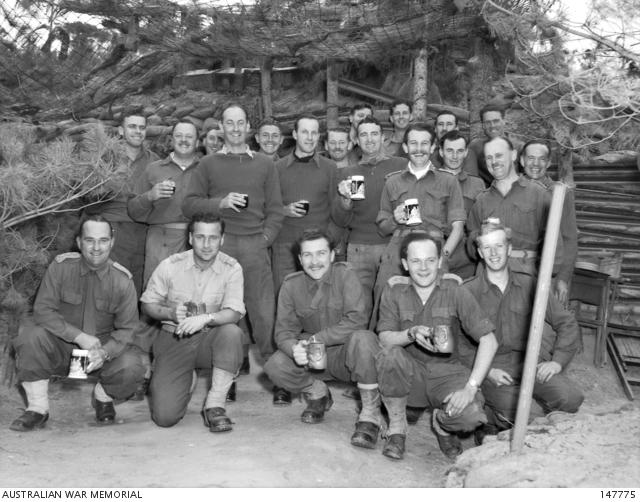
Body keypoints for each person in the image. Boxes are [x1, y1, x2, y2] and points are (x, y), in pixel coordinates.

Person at [181, 103, 284, 401]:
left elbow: (276, 209)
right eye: (230, 123)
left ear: (248, 126)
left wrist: (265, 238)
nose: (236, 129)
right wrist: (220, 204)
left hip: (254, 245)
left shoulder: (264, 163)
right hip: (220, 247)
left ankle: (279, 377)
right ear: (221, 128)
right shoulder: (209, 164)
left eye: (241, 123)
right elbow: (189, 204)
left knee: (264, 315)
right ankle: (228, 376)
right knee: (224, 313)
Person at [10, 215, 144, 431]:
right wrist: (78, 336)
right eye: (90, 240)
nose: (96, 247)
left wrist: (105, 352)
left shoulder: (122, 281)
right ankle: (37, 408)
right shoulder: (61, 267)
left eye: (102, 240)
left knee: (133, 366)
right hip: (62, 348)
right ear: (79, 242)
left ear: (112, 242)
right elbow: (43, 310)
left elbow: (128, 329)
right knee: (30, 337)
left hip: (99, 355)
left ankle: (103, 397)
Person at [375, 232, 498, 460]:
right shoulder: (393, 291)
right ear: (404, 264)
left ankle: (442, 425)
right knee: (389, 355)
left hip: (447, 374)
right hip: (410, 373)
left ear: (439, 262)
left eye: (430, 260)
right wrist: (410, 333)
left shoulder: (456, 291)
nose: (423, 268)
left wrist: (470, 387)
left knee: (470, 415)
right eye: (415, 261)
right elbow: (384, 338)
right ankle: (397, 427)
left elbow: (489, 340)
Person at [264, 228, 384, 449]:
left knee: (365, 340)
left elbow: (357, 320)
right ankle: (318, 393)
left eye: (320, 254)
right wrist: (294, 349)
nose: (314, 261)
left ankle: (370, 415)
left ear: (331, 255)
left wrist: (317, 338)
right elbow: (283, 332)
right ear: (299, 259)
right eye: (307, 255)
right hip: (312, 356)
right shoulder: (291, 285)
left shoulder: (346, 275)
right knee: (275, 365)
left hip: (345, 356)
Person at [462, 219, 583, 437]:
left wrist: (557, 361)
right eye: (487, 247)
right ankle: (490, 415)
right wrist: (487, 372)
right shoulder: (468, 292)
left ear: (509, 248)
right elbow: (458, 344)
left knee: (570, 397)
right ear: (480, 252)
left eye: (499, 246)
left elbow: (566, 322)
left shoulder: (530, 285)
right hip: (493, 368)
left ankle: (520, 421)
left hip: (530, 364)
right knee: (532, 415)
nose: (494, 253)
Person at [140, 213, 245, 431]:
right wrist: (170, 313)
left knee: (231, 333)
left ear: (222, 239)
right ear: (190, 238)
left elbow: (235, 312)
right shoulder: (170, 265)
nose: (206, 245)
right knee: (164, 417)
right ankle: (187, 378)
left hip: (210, 340)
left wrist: (206, 318)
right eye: (200, 237)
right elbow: (147, 304)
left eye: (213, 238)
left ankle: (215, 405)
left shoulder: (232, 268)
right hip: (174, 339)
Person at [373, 123, 466, 314]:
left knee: (436, 310)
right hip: (397, 252)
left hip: (433, 251)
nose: (419, 149)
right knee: (384, 305)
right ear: (405, 147)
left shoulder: (448, 181)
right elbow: (382, 228)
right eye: (413, 143)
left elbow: (457, 227)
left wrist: (443, 257)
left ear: (432, 148)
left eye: (424, 144)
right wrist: (395, 219)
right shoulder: (392, 181)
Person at [333, 116, 406, 316]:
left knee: (391, 306)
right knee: (359, 307)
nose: (369, 139)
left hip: (393, 244)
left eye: (374, 134)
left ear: (383, 137)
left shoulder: (401, 165)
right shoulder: (347, 172)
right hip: (358, 248)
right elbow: (340, 220)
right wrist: (345, 200)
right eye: (363, 134)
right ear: (356, 140)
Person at [467, 136, 568, 279]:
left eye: (499, 155)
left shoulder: (539, 195)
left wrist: (544, 281)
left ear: (514, 155)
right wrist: (480, 236)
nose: (494, 162)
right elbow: (471, 248)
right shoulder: (481, 200)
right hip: (487, 277)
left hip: (524, 276)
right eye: (489, 158)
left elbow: (555, 245)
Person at [89, 111, 159, 296]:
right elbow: (87, 197)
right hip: (112, 225)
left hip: (143, 229)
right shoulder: (106, 158)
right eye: (132, 126)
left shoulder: (154, 161)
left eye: (142, 127)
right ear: (121, 130)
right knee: (108, 281)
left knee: (136, 283)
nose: (138, 131)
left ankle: (130, 322)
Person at [127, 120, 202, 285]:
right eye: (179, 136)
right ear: (172, 140)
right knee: (156, 293)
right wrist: (150, 196)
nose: (183, 140)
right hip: (160, 241)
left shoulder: (206, 170)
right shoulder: (154, 169)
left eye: (189, 136)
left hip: (198, 241)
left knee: (195, 295)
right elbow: (133, 209)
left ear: (197, 142)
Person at [272, 115, 339, 290]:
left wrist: (330, 242)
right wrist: (285, 210)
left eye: (313, 133)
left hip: (318, 245)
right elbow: (267, 207)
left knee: (322, 299)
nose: (309, 138)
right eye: (304, 132)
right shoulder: (277, 168)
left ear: (318, 136)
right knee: (286, 297)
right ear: (294, 134)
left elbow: (336, 210)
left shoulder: (330, 168)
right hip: (285, 244)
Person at [520, 140, 578, 305]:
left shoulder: (560, 193)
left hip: (549, 274)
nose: (536, 164)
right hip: (515, 270)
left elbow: (570, 238)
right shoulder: (511, 189)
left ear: (549, 162)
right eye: (531, 158)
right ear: (522, 160)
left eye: (542, 159)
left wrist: (563, 278)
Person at [436, 130, 485, 279]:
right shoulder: (430, 180)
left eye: (459, 151)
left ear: (466, 153)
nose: (455, 156)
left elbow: (481, 221)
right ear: (441, 152)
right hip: (434, 251)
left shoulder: (477, 184)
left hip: (466, 258)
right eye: (450, 151)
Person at [468, 105, 523, 186]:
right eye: (487, 122)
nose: (492, 125)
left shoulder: (518, 147)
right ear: (483, 125)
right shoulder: (475, 147)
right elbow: (470, 176)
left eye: (496, 121)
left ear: (504, 121)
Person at [431, 110, 478, 177]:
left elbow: (471, 182)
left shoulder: (467, 153)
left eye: (449, 124)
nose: (444, 128)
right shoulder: (429, 153)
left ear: (456, 128)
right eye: (440, 124)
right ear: (435, 129)